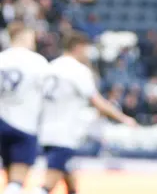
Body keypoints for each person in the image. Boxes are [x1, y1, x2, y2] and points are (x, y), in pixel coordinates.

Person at [37, 31, 137, 194]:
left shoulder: (51, 66)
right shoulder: (77, 70)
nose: (88, 54)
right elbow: (97, 101)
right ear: (77, 48)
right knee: (47, 185)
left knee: (70, 179)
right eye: (86, 49)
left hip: (46, 131)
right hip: (64, 134)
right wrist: (124, 118)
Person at [0, 22, 49, 194]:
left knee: (9, 175)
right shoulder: (37, 61)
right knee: (17, 180)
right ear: (24, 36)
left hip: (2, 120)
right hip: (24, 124)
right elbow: (48, 92)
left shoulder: (2, 59)